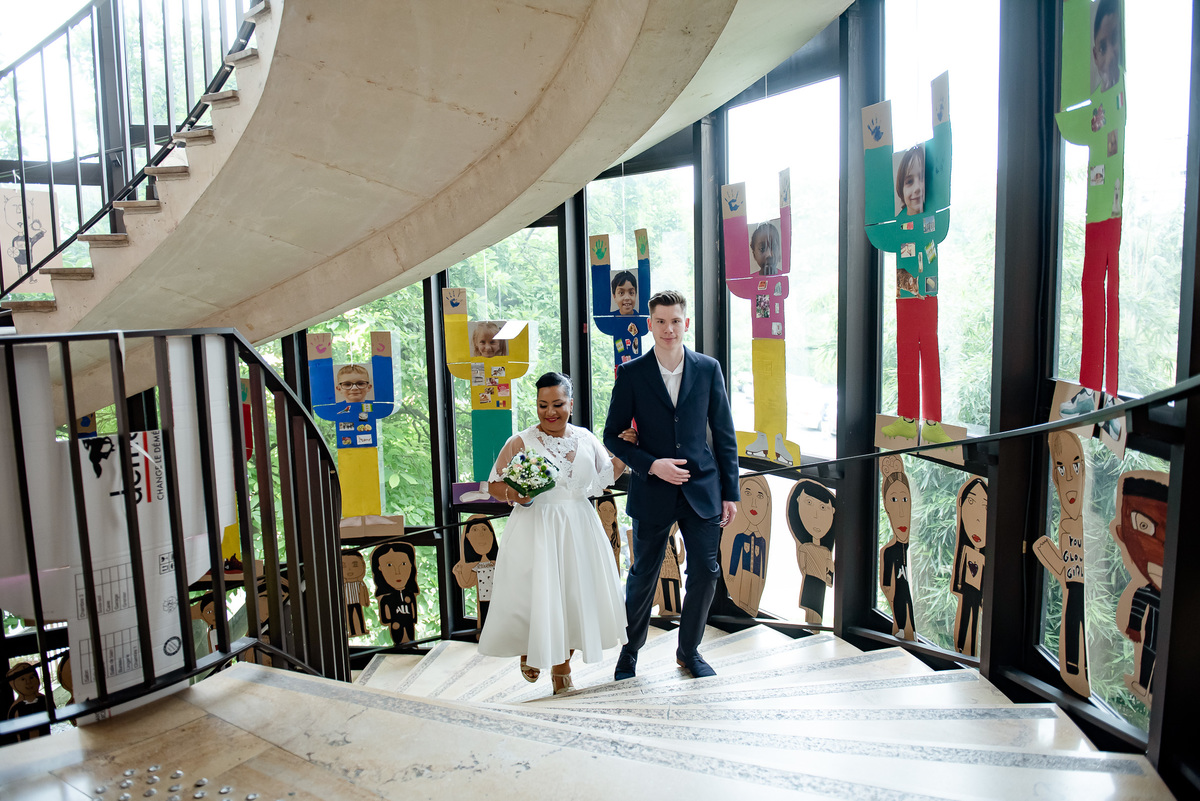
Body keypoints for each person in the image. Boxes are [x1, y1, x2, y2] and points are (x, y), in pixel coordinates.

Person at [604, 289, 740, 680]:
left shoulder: (708, 369)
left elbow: (724, 434)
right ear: (650, 325)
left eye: (675, 321)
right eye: (661, 322)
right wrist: (652, 465)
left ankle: (689, 651)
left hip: (703, 489)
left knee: (706, 572)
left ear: (686, 323)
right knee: (643, 573)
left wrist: (730, 493)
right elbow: (612, 435)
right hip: (653, 489)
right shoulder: (632, 374)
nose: (669, 329)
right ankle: (630, 651)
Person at [478, 372, 628, 694]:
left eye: (558, 404)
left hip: (579, 526)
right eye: (542, 405)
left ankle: (562, 667)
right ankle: (530, 648)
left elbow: (605, 476)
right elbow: (494, 484)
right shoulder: (520, 441)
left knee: (573, 595)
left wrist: (627, 450)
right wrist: (515, 495)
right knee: (535, 594)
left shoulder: (586, 438)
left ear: (570, 404)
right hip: (535, 527)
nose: (550, 412)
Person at [786, 479, 836, 626]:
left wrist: (829, 576)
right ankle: (812, 629)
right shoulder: (805, 547)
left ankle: (814, 630)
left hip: (819, 583)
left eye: (823, 507)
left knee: (817, 611)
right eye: (808, 503)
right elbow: (803, 566)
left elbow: (829, 568)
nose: (815, 515)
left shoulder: (826, 551)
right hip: (811, 582)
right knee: (812, 609)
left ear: (833, 511)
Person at [952, 477, 988, 656]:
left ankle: (970, 648)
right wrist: (958, 585)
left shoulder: (985, 557)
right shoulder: (965, 549)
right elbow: (960, 568)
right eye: (971, 502)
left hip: (977, 592)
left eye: (985, 507)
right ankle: (961, 646)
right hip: (967, 590)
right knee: (965, 615)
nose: (978, 519)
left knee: (974, 621)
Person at [452, 516, 499, 636]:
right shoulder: (474, 566)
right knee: (485, 617)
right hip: (483, 599)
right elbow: (466, 583)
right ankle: (484, 636)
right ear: (468, 537)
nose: (481, 535)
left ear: (491, 534)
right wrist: (458, 573)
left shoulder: (497, 563)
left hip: (498, 597)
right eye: (475, 530)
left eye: (484, 529)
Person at [372, 542, 420, 645]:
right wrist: (389, 621)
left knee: (410, 637)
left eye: (403, 564)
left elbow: (413, 611)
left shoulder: (410, 595)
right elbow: (385, 618)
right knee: (398, 638)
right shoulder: (386, 598)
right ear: (380, 568)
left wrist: (413, 619)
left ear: (411, 565)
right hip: (396, 625)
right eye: (389, 565)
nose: (397, 572)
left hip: (409, 624)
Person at [895, 145, 925, 216]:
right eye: (909, 181)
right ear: (901, 190)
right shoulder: (898, 220)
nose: (917, 188)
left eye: (922, 178)